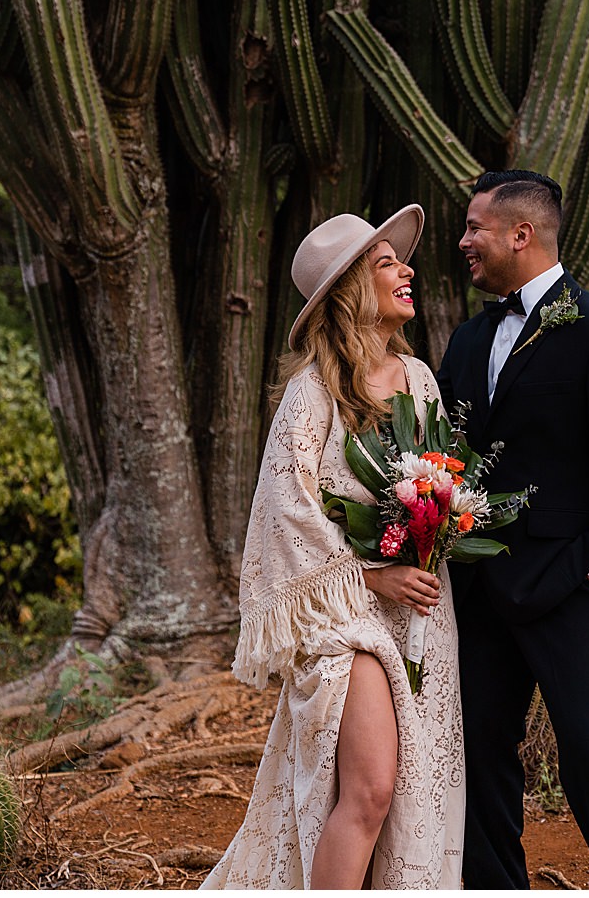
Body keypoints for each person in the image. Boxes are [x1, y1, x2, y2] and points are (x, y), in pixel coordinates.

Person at [205, 207, 463, 888]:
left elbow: (438, 482)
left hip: (421, 613)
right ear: (351, 289)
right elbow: (284, 513)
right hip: (342, 620)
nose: (408, 271)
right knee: (372, 789)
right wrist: (371, 578)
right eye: (387, 263)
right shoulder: (311, 391)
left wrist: (440, 529)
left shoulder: (421, 380)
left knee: (407, 792)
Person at [438, 170, 589, 889]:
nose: (464, 242)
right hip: (479, 594)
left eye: (475, 228)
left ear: (521, 234)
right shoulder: (469, 338)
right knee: (477, 757)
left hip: (571, 583)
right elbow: (449, 452)